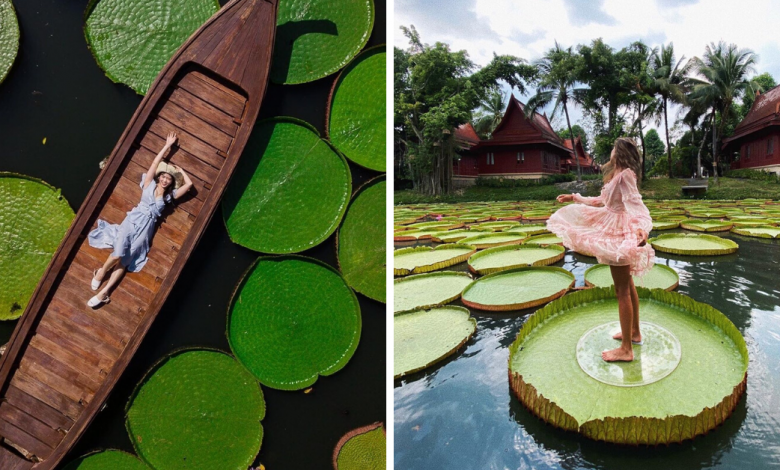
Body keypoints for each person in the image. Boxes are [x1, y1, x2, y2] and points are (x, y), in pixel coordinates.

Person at [547, 137, 655, 362]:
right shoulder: (617, 174)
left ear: (621, 152)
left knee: (621, 291)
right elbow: (600, 201)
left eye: (615, 148)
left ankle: (626, 349)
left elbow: (637, 205)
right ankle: (634, 333)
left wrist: (643, 229)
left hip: (621, 231)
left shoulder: (625, 175)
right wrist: (574, 197)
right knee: (628, 285)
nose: (612, 151)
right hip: (614, 225)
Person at [86, 132, 193, 307]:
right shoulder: (149, 183)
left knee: (126, 260)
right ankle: (101, 272)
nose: (166, 180)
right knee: (118, 251)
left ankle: (105, 291)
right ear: (160, 177)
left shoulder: (169, 197)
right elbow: (154, 163)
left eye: (169, 179)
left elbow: (189, 186)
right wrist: (167, 146)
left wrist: (180, 172)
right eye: (164, 177)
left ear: (171, 183)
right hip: (133, 220)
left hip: (146, 228)